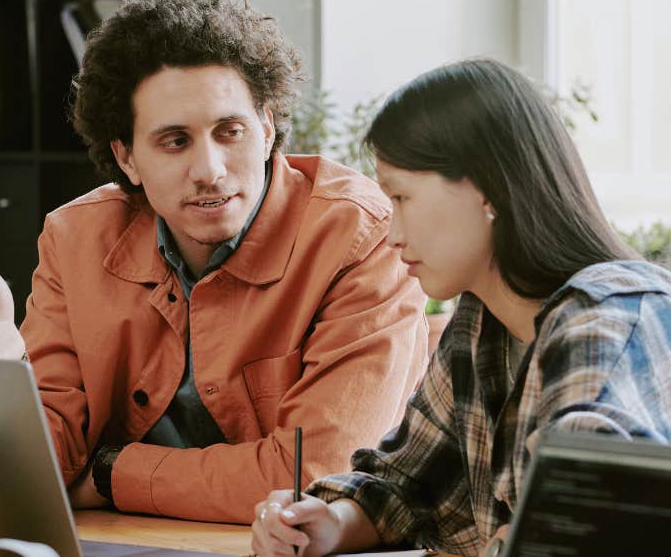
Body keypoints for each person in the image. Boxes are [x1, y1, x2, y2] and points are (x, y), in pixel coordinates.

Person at [0, 0, 428, 524]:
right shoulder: (75, 237)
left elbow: (317, 479)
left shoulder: (360, 237)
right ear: (127, 158)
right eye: (175, 141)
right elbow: (44, 468)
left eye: (230, 131)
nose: (210, 170)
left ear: (266, 129)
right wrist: (9, 377)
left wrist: (111, 473)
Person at [252, 58, 671, 557]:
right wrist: (328, 522)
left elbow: (583, 519)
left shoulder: (610, 318)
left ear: (488, 189)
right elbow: (406, 485)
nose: (393, 234)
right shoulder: (480, 323)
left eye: (401, 197)